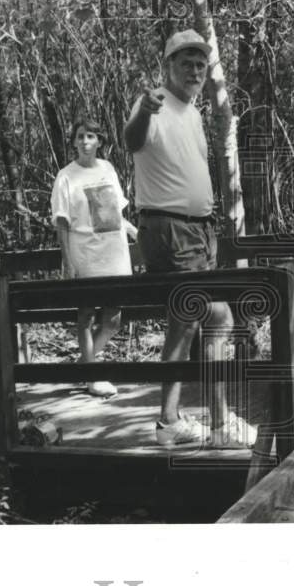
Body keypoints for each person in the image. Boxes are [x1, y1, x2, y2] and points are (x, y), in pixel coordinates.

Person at [123, 29, 256, 448]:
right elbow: (131, 141)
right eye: (187, 64)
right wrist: (144, 110)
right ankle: (217, 425)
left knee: (185, 324)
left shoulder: (194, 113)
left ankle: (169, 422)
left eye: (201, 64)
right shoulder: (154, 104)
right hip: (170, 229)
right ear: (170, 67)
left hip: (197, 232)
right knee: (217, 317)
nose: (195, 71)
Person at [51, 118, 134, 399]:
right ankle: (91, 377)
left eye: (90, 136)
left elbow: (114, 213)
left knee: (113, 319)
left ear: (99, 141)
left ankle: (83, 366)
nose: (85, 141)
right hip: (84, 252)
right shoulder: (66, 176)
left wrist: (136, 231)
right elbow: (62, 222)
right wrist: (67, 261)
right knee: (85, 315)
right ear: (73, 142)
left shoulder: (108, 169)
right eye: (80, 136)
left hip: (114, 252)